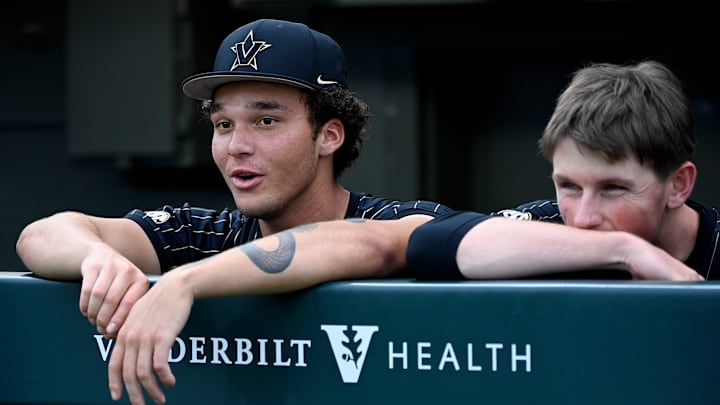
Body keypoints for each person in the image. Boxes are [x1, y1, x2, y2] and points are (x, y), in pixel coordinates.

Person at [14, 18, 452, 405]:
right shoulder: (205, 234)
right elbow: (41, 235)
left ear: (329, 136)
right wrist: (98, 256)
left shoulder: (393, 222)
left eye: (266, 121)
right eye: (224, 125)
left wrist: (185, 284)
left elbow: (417, 238)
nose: (237, 146)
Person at [407, 60, 718, 281]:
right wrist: (623, 249)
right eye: (569, 186)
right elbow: (428, 243)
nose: (583, 218)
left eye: (613, 188)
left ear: (678, 185)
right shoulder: (552, 229)